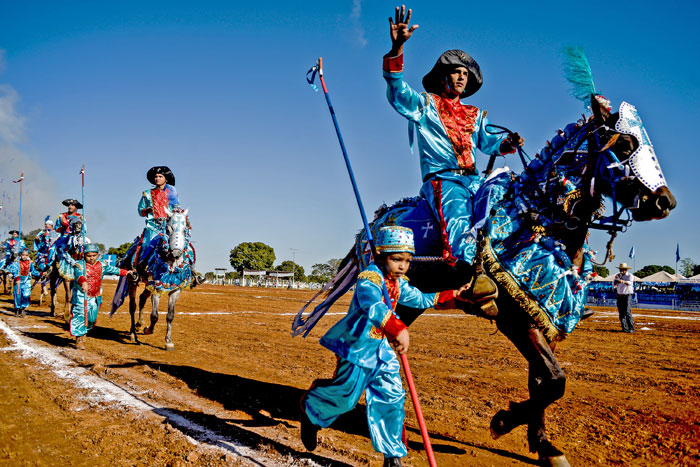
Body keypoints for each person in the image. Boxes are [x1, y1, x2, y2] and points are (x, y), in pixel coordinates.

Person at [382, 6, 523, 309]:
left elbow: (488, 142)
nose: (461, 77)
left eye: (465, 74)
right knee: (458, 218)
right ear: (443, 76)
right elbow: (396, 93)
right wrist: (398, 48)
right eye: (456, 72)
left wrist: (507, 142)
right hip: (444, 181)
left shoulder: (476, 114)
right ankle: (470, 281)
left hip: (475, 180)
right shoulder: (424, 104)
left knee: (514, 202)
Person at [300, 226, 469, 467]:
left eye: (408, 261)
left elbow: (421, 298)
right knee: (346, 398)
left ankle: (392, 456)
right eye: (396, 259)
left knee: (391, 397)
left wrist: (453, 295)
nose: (402, 266)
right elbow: (374, 307)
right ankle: (311, 412)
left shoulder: (398, 282)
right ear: (381, 256)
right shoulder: (370, 279)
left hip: (382, 352)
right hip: (357, 349)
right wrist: (398, 328)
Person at [70, 243, 132, 349]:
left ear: (97, 255)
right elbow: (78, 275)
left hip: (95, 296)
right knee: (80, 316)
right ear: (84, 255)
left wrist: (126, 272)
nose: (91, 258)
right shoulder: (79, 264)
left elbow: (114, 270)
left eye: (94, 256)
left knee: (91, 319)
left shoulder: (102, 264)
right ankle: (79, 339)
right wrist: (83, 282)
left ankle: (83, 331)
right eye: (89, 256)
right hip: (82, 296)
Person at [132, 166, 180, 268]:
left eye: (160, 176)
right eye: (156, 177)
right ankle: (139, 267)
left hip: (169, 226)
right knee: (146, 244)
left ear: (166, 179)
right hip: (153, 227)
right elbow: (140, 211)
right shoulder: (147, 194)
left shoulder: (172, 193)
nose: (157, 178)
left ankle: (191, 270)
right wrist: (147, 210)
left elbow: (177, 209)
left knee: (181, 243)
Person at [6, 248, 41, 317]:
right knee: (18, 296)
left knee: (26, 295)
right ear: (20, 255)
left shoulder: (30, 262)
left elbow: (33, 271)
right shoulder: (16, 262)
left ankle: (23, 308)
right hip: (18, 281)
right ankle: (17, 309)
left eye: (26, 255)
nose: (24, 256)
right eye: (23, 255)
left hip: (27, 281)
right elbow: (14, 271)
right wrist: (16, 277)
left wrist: (40, 274)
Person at [613, 262, 635, 333]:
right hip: (620, 295)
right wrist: (617, 280)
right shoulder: (617, 275)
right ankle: (624, 328)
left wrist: (621, 281)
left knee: (627, 311)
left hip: (627, 295)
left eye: (622, 269)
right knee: (621, 312)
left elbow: (629, 283)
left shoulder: (630, 276)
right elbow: (614, 284)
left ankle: (631, 328)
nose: (621, 271)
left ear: (626, 269)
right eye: (620, 269)